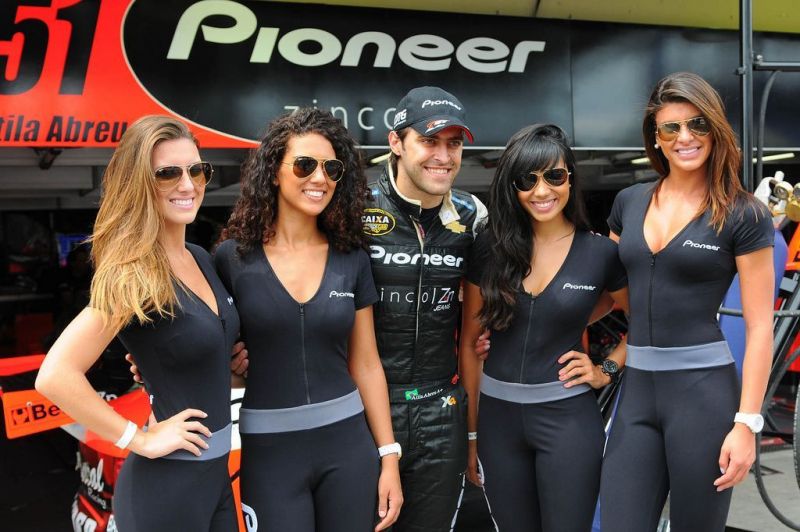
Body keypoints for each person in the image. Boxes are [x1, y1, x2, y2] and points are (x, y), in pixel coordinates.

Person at [36, 115, 241, 531]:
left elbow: (196, 353)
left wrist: (234, 364)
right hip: (166, 488)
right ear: (139, 183)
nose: (188, 185)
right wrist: (138, 438)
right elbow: (55, 375)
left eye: (196, 170)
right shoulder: (134, 272)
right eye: (168, 174)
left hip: (215, 478)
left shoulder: (201, 258)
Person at [600, 72, 775, 531]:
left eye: (698, 124)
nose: (685, 137)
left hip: (703, 396)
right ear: (656, 138)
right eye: (671, 127)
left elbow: (760, 326)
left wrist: (747, 423)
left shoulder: (743, 213)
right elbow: (608, 295)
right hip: (637, 395)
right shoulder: (628, 202)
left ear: (715, 129)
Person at [216, 108, 402, 532]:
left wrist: (389, 456)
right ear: (273, 172)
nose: (320, 178)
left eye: (331, 169)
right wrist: (230, 368)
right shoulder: (232, 259)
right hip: (270, 454)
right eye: (304, 165)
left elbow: (367, 363)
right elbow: (211, 346)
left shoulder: (351, 257)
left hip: (348, 448)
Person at [458, 124, 628, 532]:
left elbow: (645, 321)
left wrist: (606, 369)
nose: (541, 191)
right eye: (527, 179)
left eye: (554, 176)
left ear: (570, 177)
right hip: (497, 424)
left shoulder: (601, 253)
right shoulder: (490, 248)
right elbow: (469, 344)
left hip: (568, 422)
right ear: (512, 186)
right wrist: (472, 435)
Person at [363, 86, 488, 531]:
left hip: (441, 409)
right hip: (364, 411)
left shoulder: (473, 216)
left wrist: (471, 434)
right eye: (429, 141)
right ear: (396, 143)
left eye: (453, 144)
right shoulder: (355, 209)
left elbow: (475, 334)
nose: (443, 156)